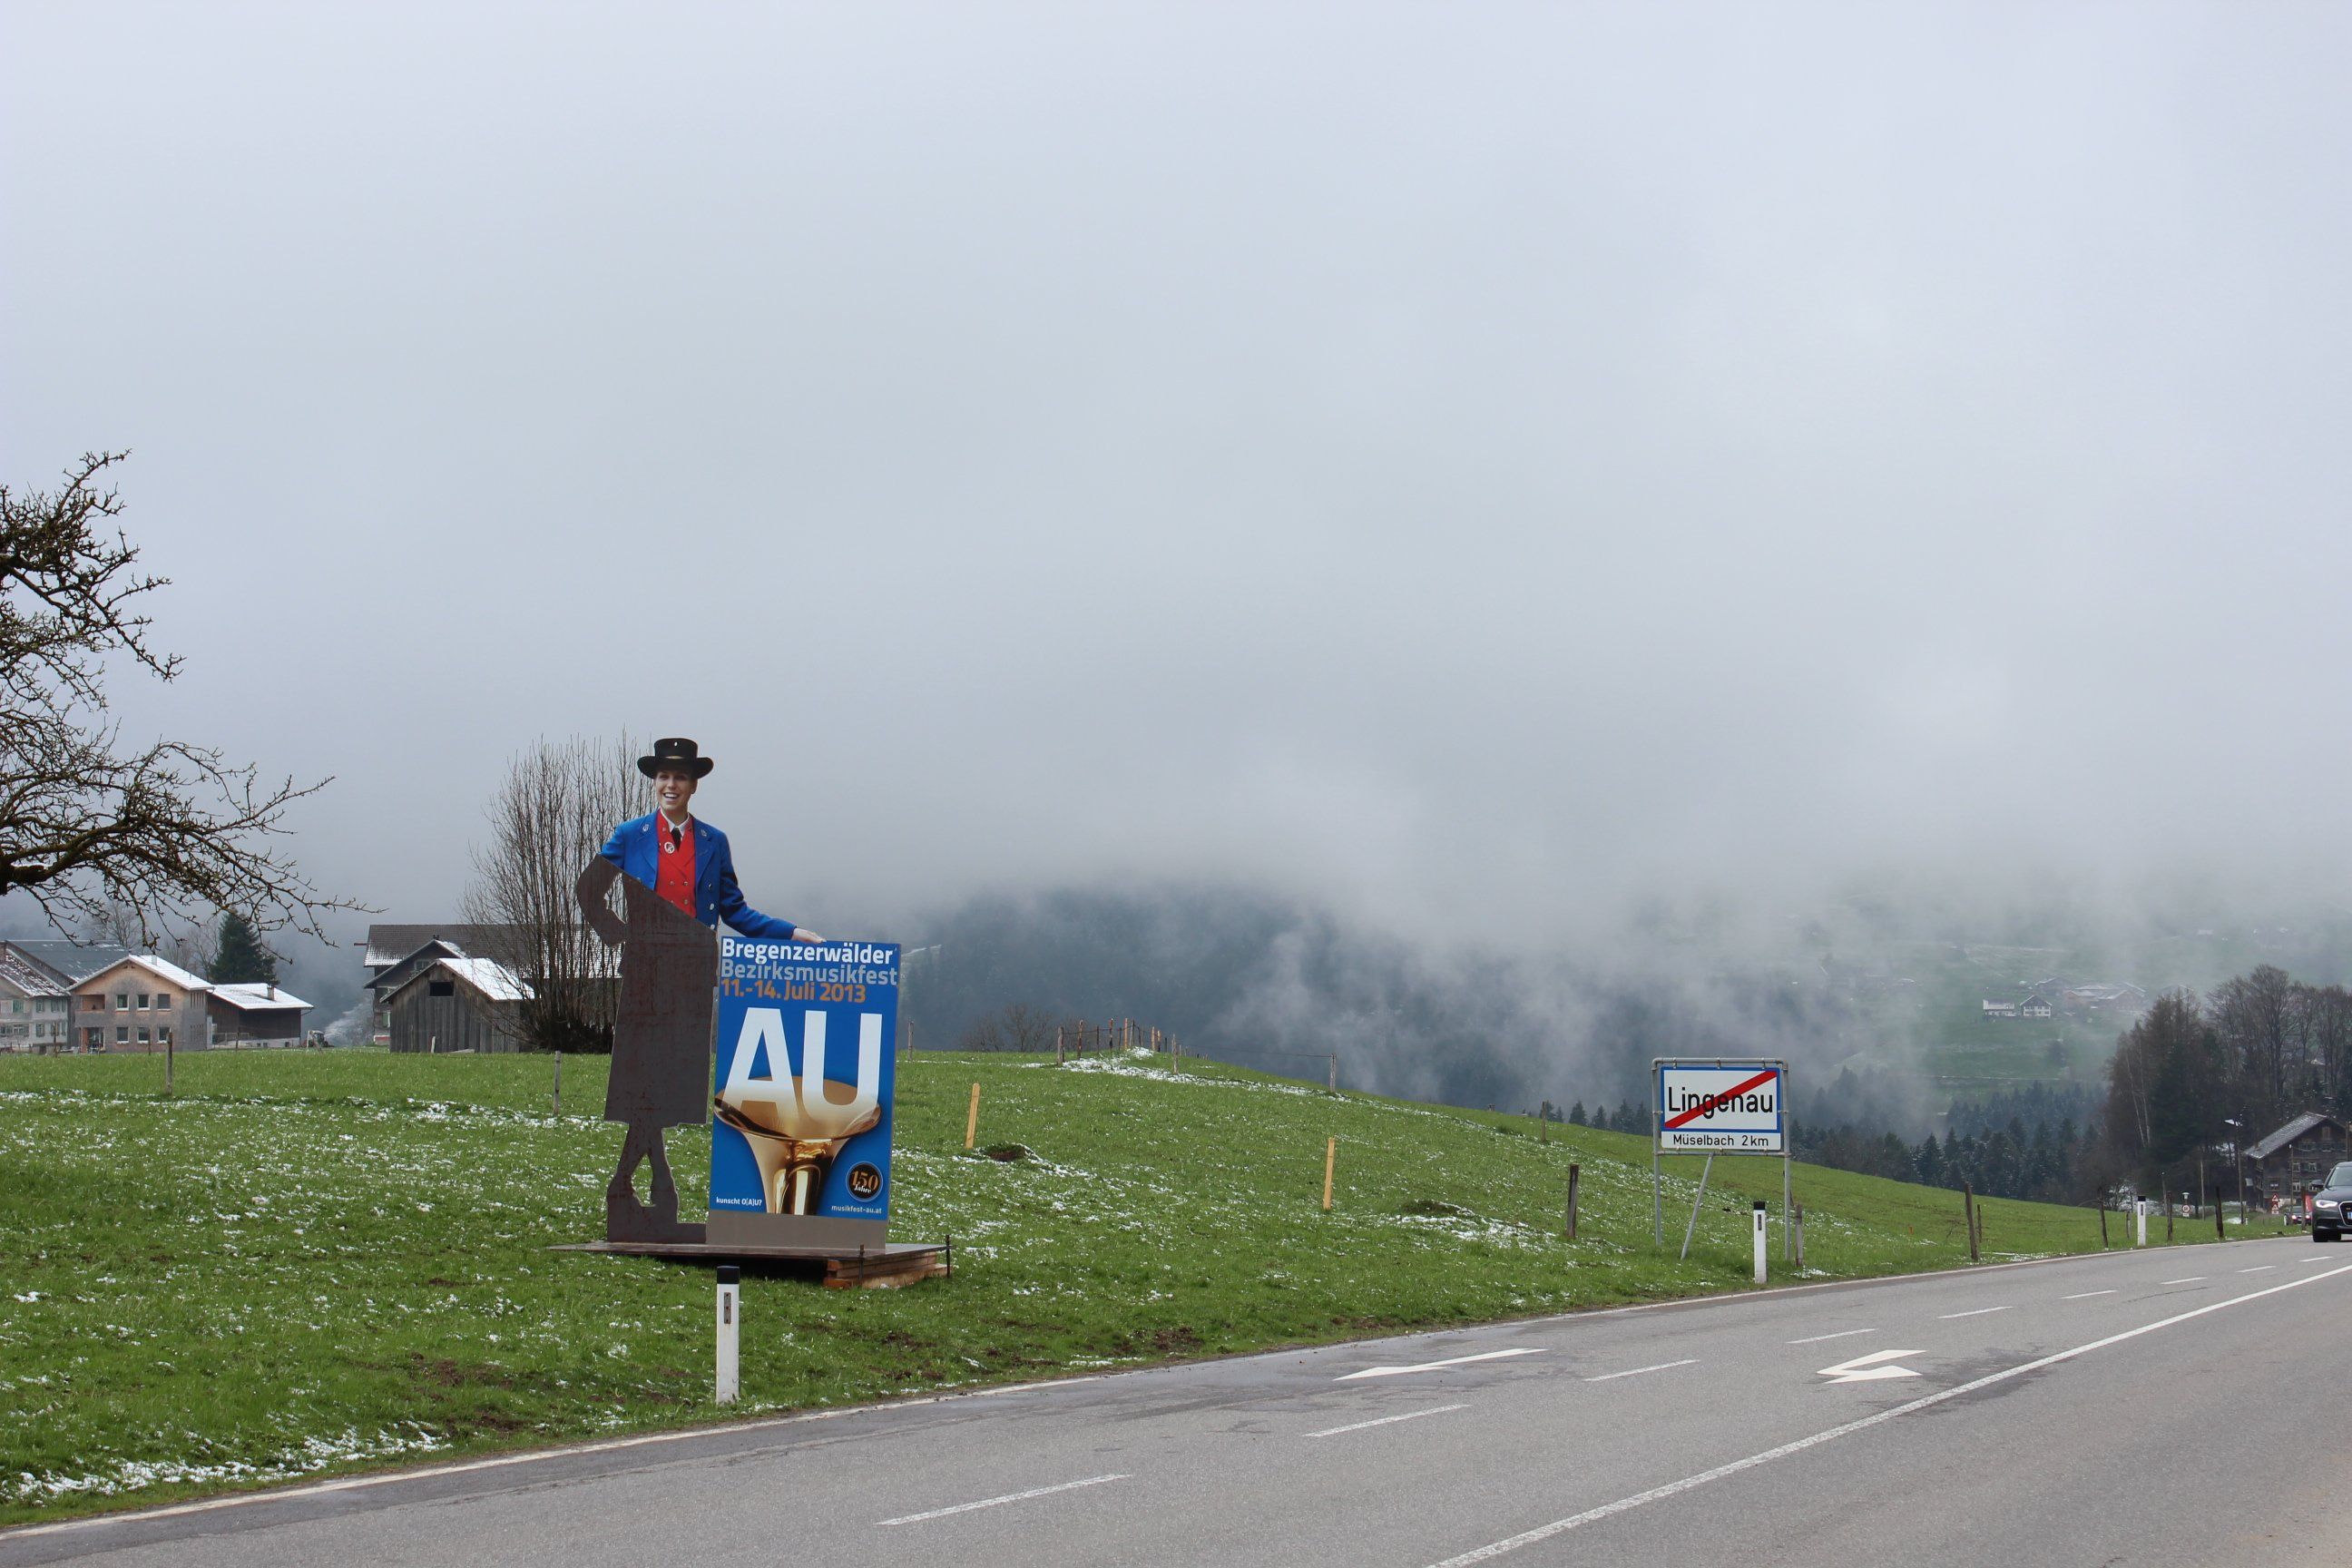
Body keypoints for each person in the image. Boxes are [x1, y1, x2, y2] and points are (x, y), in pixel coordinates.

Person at [575, 736, 822, 1240]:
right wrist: (623, 937)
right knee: (644, 1081)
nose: (671, 785)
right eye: (663, 776)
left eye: (680, 778)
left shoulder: (714, 841)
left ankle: (640, 1188)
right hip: (646, 975)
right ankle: (642, 1187)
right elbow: (588, 890)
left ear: (693, 786)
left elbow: (736, 911)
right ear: (655, 782)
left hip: (691, 972)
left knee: (671, 1084)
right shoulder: (630, 835)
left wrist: (790, 932)